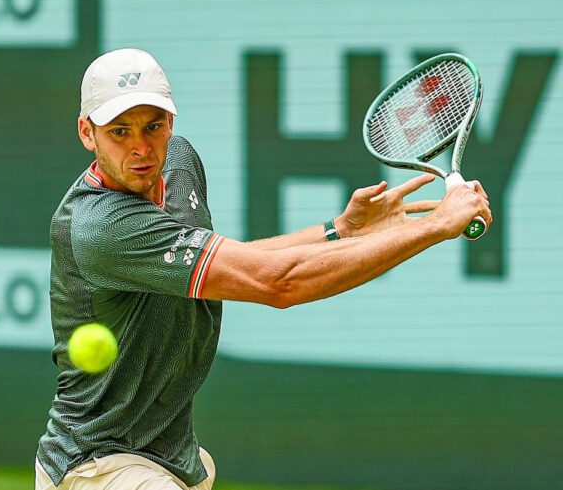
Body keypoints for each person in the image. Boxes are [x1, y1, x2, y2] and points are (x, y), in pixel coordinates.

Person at [35, 48, 492, 490]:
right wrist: (435, 226)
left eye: (153, 126)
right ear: (86, 133)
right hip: (96, 467)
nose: (141, 147)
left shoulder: (179, 163)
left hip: (169, 455)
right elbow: (278, 282)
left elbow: (240, 261)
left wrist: (341, 230)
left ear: (171, 122)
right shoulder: (100, 226)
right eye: (119, 131)